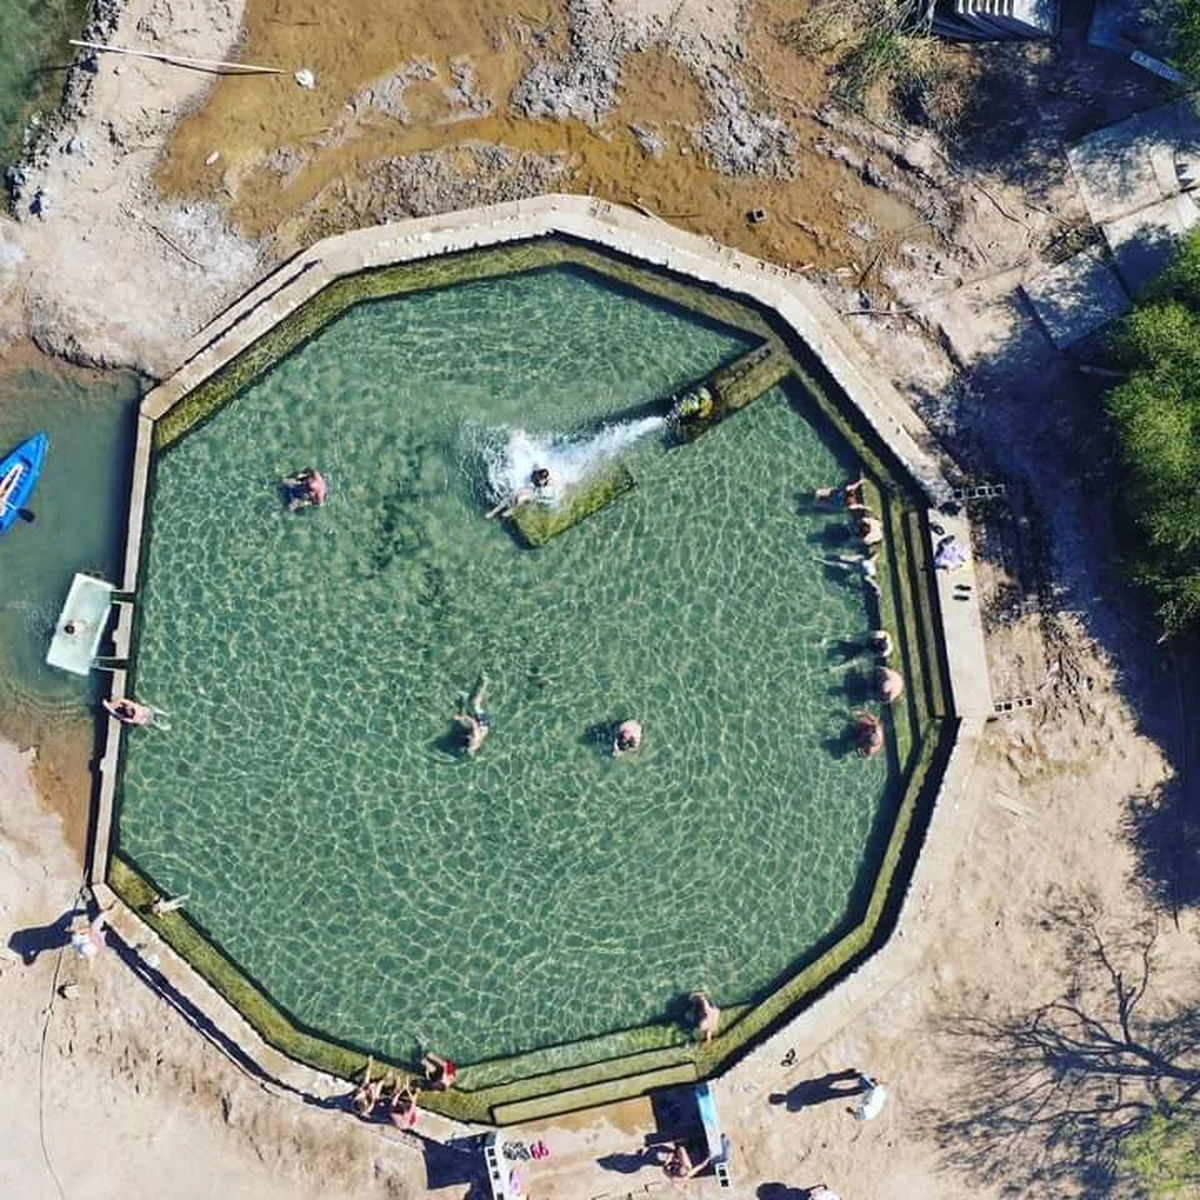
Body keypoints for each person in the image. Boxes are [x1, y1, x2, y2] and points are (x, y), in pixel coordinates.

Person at [486, 467, 553, 519]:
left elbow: (552, 483)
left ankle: (512, 510)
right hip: (527, 488)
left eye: (541, 478)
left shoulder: (545, 483)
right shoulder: (535, 473)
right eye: (539, 476)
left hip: (532, 493)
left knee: (519, 499)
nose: (540, 479)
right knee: (512, 495)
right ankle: (493, 512)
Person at [453, 673, 491, 757]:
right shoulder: (475, 737)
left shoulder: (472, 745)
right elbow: (473, 722)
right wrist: (461, 718)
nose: (468, 737)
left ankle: (463, 701)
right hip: (482, 722)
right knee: (474, 704)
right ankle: (485, 682)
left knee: (462, 723)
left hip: (480, 728)